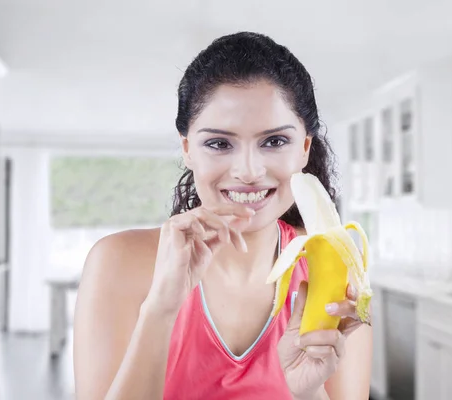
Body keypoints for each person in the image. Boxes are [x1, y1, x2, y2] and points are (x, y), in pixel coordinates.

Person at [73, 31, 373, 400]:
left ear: (304, 149)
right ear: (188, 149)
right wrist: (160, 310)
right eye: (219, 143)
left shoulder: (331, 269)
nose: (248, 170)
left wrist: (305, 392)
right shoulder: (120, 262)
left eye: (274, 141)